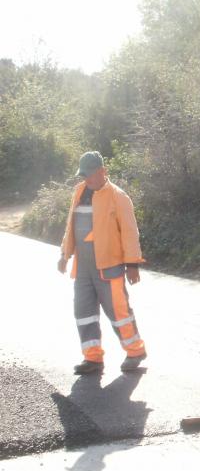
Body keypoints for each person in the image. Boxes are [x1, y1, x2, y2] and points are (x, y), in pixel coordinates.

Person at [58, 151, 147, 375]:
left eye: (90, 175)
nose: (86, 180)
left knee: (119, 313)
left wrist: (133, 264)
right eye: (84, 175)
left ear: (103, 172)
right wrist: (64, 254)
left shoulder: (118, 196)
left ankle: (135, 352)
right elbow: (71, 226)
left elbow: (129, 232)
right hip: (84, 269)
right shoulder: (79, 192)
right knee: (84, 312)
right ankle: (93, 358)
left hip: (109, 267)